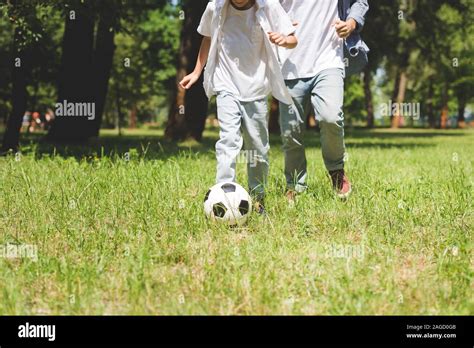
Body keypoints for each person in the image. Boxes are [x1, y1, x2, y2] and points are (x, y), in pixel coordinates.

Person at [180, 0, 298, 214]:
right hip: (226, 85)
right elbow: (207, 38)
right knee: (228, 140)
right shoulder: (215, 7)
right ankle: (223, 196)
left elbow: (293, 39)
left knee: (258, 148)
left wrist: (284, 40)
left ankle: (258, 196)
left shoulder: (268, 5)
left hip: (256, 88)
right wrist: (197, 72)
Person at [278, 0, 369, 201]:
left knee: (331, 116)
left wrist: (352, 22)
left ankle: (336, 171)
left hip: (329, 60)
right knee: (290, 130)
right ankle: (295, 184)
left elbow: (359, 2)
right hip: (290, 63)